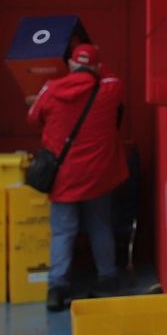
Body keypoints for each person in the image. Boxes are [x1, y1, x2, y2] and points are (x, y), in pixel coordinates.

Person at [27, 43, 127, 310]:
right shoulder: (109, 88)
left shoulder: (50, 89)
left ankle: (57, 288)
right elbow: (111, 75)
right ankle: (108, 279)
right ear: (95, 67)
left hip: (63, 176)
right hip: (99, 175)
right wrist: (94, 66)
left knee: (62, 231)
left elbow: (32, 116)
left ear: (70, 64)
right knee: (100, 226)